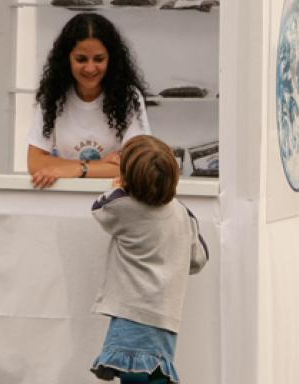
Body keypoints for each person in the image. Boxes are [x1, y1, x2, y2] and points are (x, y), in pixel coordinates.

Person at [88, 135, 209, 384]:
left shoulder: (123, 207)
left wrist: (117, 186)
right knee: (156, 377)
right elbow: (198, 259)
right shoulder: (183, 215)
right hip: (165, 321)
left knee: (134, 379)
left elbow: (99, 208)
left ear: (128, 179)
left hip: (131, 319)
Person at [27, 13, 151, 189]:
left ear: (111, 59)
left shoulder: (129, 96)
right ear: (66, 59)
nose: (90, 68)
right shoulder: (52, 96)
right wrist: (100, 167)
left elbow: (138, 164)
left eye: (99, 59)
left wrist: (78, 169)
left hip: (114, 200)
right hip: (64, 199)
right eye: (81, 59)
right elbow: (35, 163)